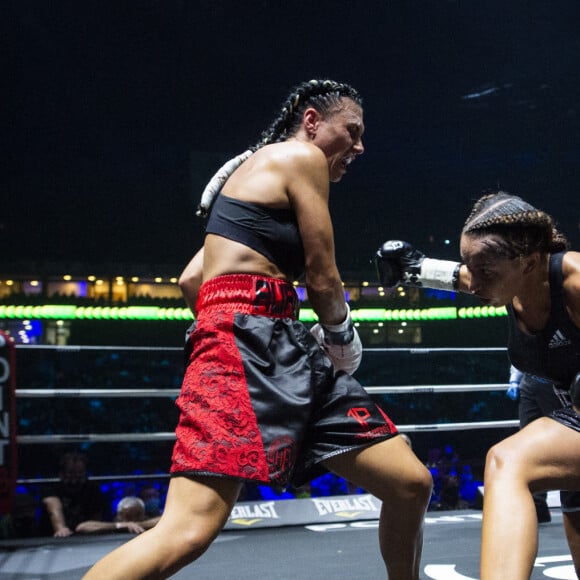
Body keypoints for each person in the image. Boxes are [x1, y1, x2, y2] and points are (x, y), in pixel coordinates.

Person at [83, 79, 432, 580]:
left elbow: (190, 280)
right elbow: (322, 275)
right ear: (312, 121)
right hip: (247, 348)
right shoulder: (300, 156)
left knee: (408, 482)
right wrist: (340, 336)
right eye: (351, 131)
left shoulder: (259, 171)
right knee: (187, 531)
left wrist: (251, 318)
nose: (360, 147)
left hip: (278, 344)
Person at [376, 190, 580, 579]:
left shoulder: (573, 281)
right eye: (470, 267)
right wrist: (410, 268)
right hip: (566, 416)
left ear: (531, 262)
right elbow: (459, 276)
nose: (474, 281)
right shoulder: (505, 276)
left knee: (508, 462)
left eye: (485, 273)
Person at [507, 365, 580, 524]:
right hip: (530, 380)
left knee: (566, 437)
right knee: (527, 442)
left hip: (556, 381)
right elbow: (522, 351)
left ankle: (573, 502)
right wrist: (514, 379)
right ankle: (536, 505)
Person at [39, 451, 107, 538]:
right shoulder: (51, 489)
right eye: (70, 473)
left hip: (85, 536)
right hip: (52, 537)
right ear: (61, 474)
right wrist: (61, 528)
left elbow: (96, 518)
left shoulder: (92, 489)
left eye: (79, 473)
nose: (75, 477)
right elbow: (54, 509)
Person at [76, 496, 160, 534]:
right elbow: (81, 527)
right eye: (128, 516)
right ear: (119, 515)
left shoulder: (145, 524)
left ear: (143, 514)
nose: (133, 519)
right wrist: (121, 525)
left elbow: (167, 520)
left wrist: (138, 524)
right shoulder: (112, 525)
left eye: (137, 515)